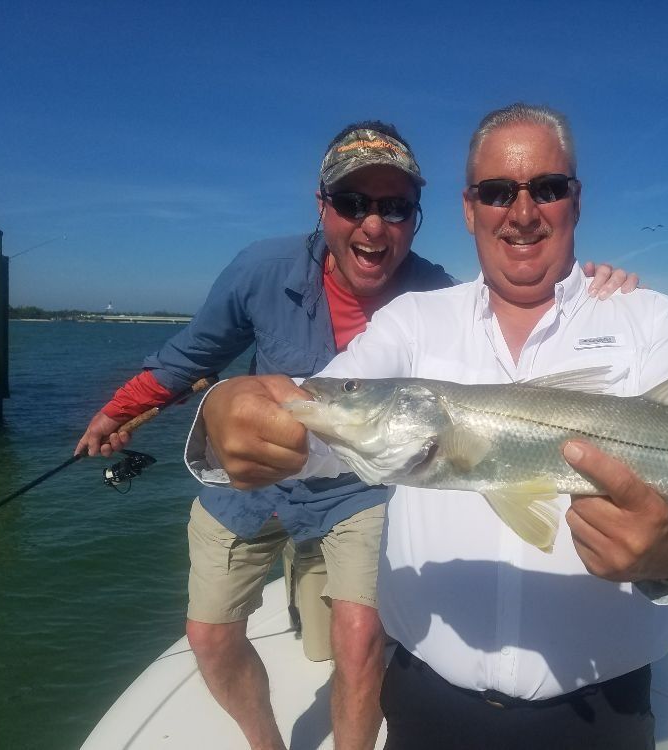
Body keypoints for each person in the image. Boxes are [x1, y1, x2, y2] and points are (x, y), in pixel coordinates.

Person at [190, 103, 668, 749]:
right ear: (469, 209)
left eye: (548, 187)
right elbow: (323, 429)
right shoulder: (413, 322)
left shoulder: (650, 321)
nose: (523, 210)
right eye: (498, 191)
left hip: (603, 715)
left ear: (576, 201)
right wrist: (234, 409)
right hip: (425, 704)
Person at [76, 119, 638, 750]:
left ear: (418, 217)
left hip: (359, 484)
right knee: (208, 634)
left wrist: (593, 291)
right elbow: (190, 355)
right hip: (257, 477)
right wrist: (123, 412)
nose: (374, 226)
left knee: (361, 636)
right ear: (323, 208)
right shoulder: (259, 270)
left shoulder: (436, 295)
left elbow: (506, 326)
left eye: (395, 207)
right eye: (353, 203)